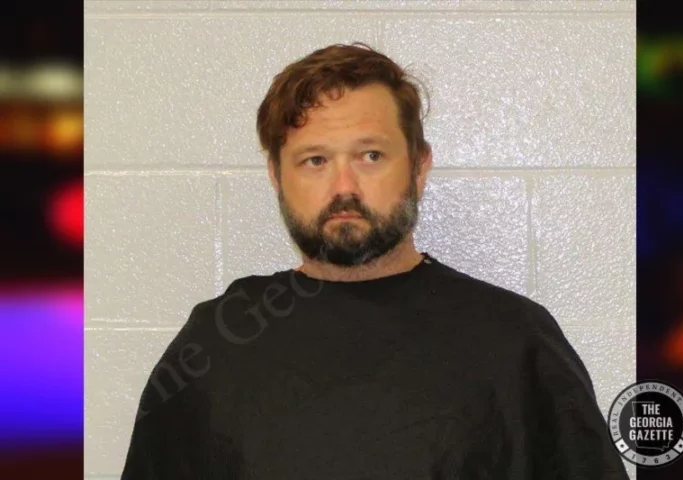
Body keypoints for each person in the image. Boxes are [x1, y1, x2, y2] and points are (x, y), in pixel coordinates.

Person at [120, 42, 630, 479]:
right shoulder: (215, 345)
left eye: (370, 156)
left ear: (419, 167)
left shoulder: (516, 341)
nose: (343, 187)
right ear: (276, 175)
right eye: (315, 160)